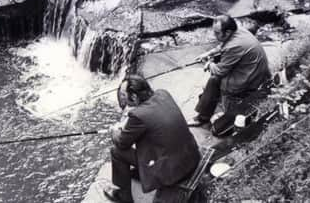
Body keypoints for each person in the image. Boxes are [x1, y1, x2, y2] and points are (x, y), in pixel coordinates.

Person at [105, 75, 201, 203]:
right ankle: (141, 172)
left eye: (123, 95)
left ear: (134, 97)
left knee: (117, 152)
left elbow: (122, 142)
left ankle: (123, 196)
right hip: (191, 158)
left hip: (172, 173)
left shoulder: (138, 116)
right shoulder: (163, 93)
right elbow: (152, 118)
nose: (122, 98)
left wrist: (115, 130)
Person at [191, 14, 271, 126]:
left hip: (251, 79)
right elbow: (224, 45)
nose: (214, 35)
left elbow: (219, 70)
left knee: (216, 79)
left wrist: (209, 64)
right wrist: (208, 53)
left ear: (227, 32)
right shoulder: (239, 31)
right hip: (255, 71)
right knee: (214, 79)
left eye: (217, 33)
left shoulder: (234, 46)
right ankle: (203, 114)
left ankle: (207, 115)